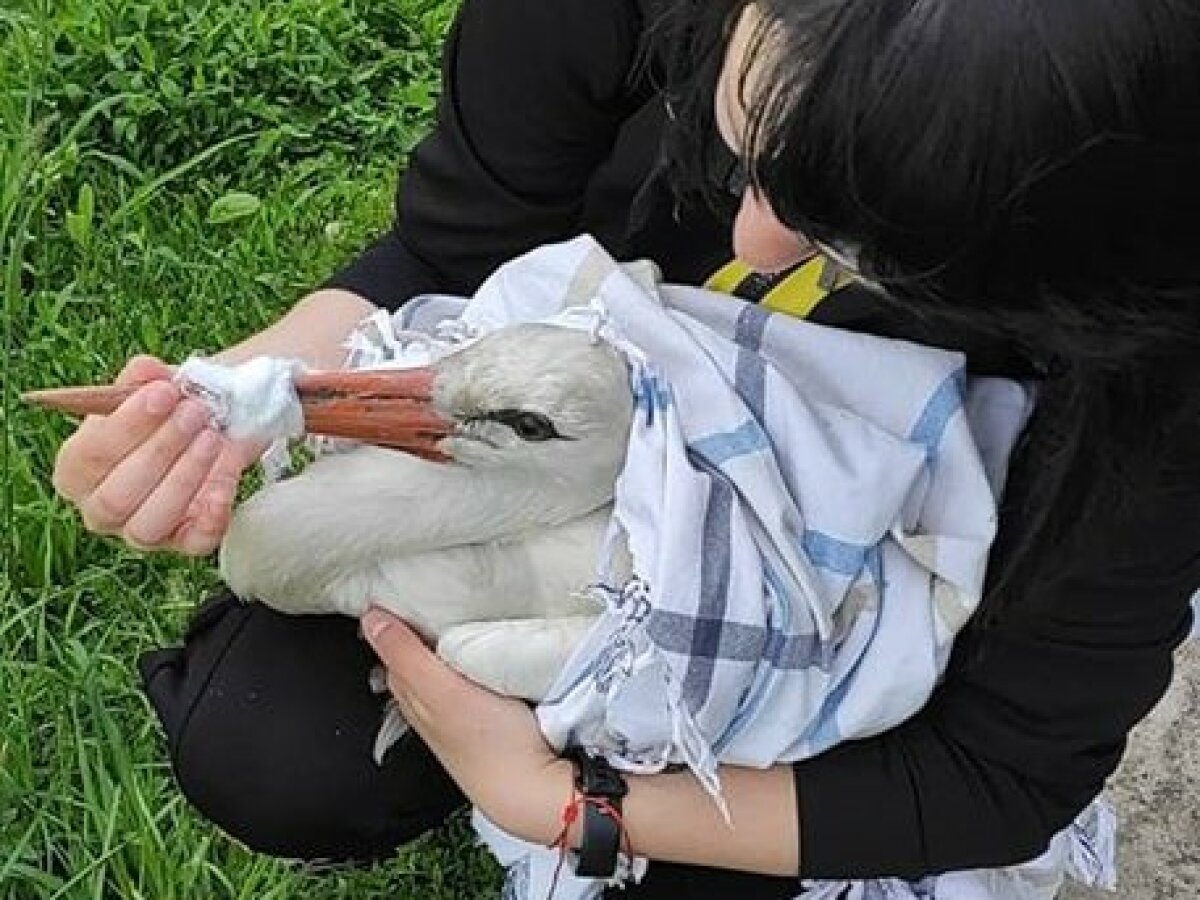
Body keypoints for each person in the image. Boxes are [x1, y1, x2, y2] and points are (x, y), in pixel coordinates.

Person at [50, 0, 1200, 895]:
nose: (749, 240)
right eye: (749, 140)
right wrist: (227, 399)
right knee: (275, 743)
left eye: (858, 232)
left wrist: (568, 803)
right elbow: (441, 255)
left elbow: (999, 770)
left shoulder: (1154, 355)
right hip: (562, 462)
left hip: (845, 597)